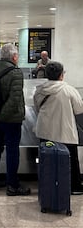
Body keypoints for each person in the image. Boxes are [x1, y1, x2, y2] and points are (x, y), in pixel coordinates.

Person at [0, 43, 30, 196]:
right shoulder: (16, 72)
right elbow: (14, 99)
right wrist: (0, 117)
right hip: (10, 119)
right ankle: (12, 185)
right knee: (12, 150)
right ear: (14, 56)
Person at [33, 61, 83, 195]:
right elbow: (79, 110)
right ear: (61, 75)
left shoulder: (40, 90)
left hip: (45, 131)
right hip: (65, 131)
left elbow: (37, 108)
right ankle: (75, 186)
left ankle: (47, 184)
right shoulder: (69, 90)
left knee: (46, 158)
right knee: (71, 159)